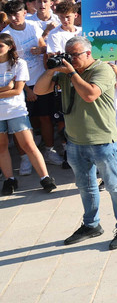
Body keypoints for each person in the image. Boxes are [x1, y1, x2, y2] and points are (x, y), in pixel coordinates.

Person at [33, 36, 117, 250]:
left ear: (88, 54)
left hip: (102, 141)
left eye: (75, 55)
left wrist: (70, 73)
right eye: (67, 55)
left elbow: (90, 95)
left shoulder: (102, 70)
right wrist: (52, 70)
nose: (70, 59)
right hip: (75, 141)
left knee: (115, 185)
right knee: (86, 186)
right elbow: (39, 91)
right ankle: (91, 225)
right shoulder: (66, 73)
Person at [0, 33, 56, 194]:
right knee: (1, 147)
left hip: (16, 110)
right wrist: (6, 88)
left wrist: (11, 89)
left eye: (1, 46)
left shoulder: (19, 63)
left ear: (10, 47)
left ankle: (45, 177)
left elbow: (18, 90)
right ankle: (9, 179)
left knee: (29, 145)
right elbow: (12, 89)